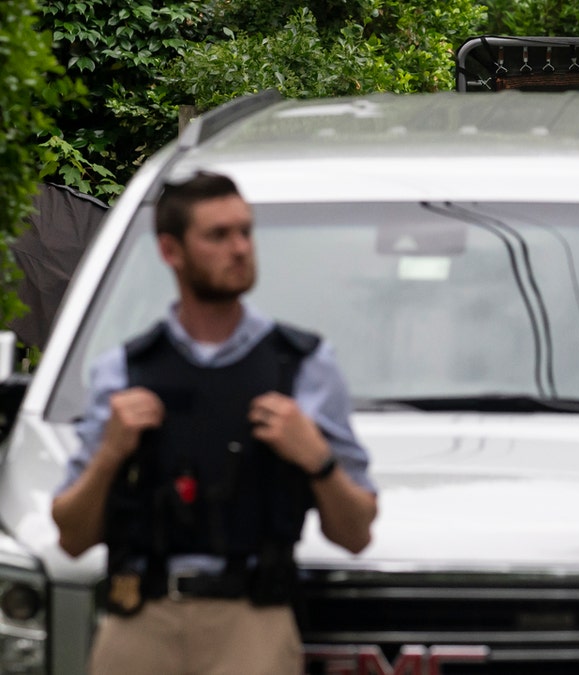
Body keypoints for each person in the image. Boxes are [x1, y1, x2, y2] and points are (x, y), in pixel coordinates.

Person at [51, 171, 378, 673]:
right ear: (171, 251)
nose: (241, 248)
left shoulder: (303, 366)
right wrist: (110, 453)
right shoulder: (123, 371)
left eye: (245, 231)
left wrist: (318, 460)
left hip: (252, 625)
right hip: (141, 622)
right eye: (218, 235)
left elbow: (356, 534)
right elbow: (71, 536)